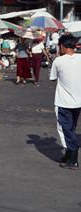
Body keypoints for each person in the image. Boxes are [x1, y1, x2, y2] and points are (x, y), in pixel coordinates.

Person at [49, 34, 81, 170]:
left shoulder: (58, 61)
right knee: (71, 129)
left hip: (64, 102)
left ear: (62, 46)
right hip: (78, 102)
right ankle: (69, 155)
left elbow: (53, 78)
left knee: (65, 130)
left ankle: (73, 159)